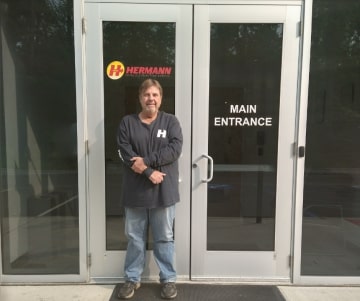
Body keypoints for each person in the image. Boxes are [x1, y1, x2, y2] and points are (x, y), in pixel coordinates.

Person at [117, 79, 183, 299]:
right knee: (135, 238)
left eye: (155, 95)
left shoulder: (170, 121)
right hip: (135, 192)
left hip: (163, 192)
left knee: (164, 237)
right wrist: (148, 172)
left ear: (161, 98)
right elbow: (126, 154)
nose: (151, 99)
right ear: (140, 97)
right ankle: (131, 279)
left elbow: (174, 150)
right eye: (147, 95)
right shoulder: (127, 123)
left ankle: (169, 280)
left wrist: (144, 162)